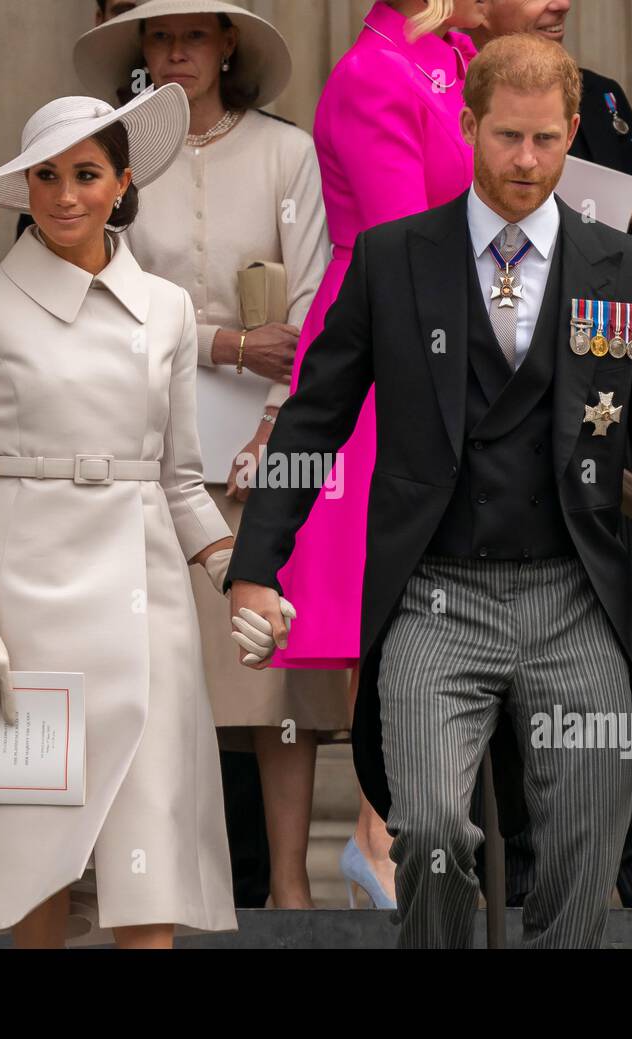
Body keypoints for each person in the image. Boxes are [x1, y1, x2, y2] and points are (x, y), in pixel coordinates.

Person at [225, 32, 632, 948]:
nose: (526, 162)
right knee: (435, 828)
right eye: (505, 138)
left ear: (573, 132)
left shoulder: (631, 272)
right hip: (433, 597)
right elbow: (313, 419)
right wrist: (258, 566)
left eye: (544, 139)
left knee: (586, 833)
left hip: (575, 597)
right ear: (467, 128)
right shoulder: (392, 259)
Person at [0, 86, 239, 950]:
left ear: (120, 186)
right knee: (31, 874)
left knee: (146, 869)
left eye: (85, 174)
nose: (64, 195)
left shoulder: (170, 309)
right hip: (17, 619)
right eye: (45, 176)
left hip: (146, 619)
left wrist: (239, 579)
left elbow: (183, 479)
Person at [74, 0, 347, 911]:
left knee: (272, 675)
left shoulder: (285, 152)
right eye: (158, 37)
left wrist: (275, 428)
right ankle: (161, 886)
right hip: (144, 443)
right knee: (156, 674)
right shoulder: (118, 161)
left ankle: (291, 889)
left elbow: (315, 302)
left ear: (228, 43)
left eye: (193, 34)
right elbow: (105, 302)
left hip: (272, 445)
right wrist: (231, 344)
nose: (176, 52)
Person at [473, 0, 632, 910]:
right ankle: (521, 882)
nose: (557, 0)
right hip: (499, 442)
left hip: (614, 424)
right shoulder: (441, 89)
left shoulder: (598, 98)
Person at [268, 0, 488, 911]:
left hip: (454, 341)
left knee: (430, 593)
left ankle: (401, 833)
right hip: (388, 353)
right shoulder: (369, 75)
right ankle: (379, 836)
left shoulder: (454, 57)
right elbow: (409, 244)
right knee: (388, 591)